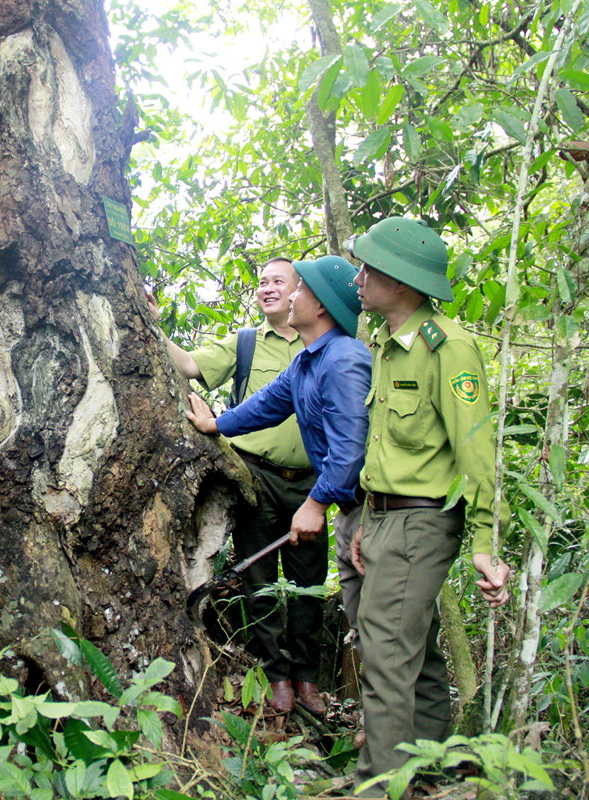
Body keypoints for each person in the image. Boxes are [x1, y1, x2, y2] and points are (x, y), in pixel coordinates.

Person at [347, 217, 511, 796]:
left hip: (424, 521)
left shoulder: (449, 347)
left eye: (370, 269)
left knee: (385, 648)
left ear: (404, 282)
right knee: (411, 648)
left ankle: (379, 785)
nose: (359, 278)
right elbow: (381, 447)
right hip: (386, 516)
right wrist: (367, 522)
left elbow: (476, 452)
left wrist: (487, 545)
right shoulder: (387, 346)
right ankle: (431, 767)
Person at [183, 256, 371, 716]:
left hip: (353, 506)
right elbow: (267, 403)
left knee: (338, 601)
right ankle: (277, 677)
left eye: (299, 288)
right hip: (285, 489)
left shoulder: (344, 359)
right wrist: (218, 425)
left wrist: (315, 502)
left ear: (322, 306)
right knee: (261, 584)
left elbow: (350, 450)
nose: (290, 295)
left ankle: (353, 711)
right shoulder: (310, 360)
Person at [149, 257, 319, 714]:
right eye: (261, 282)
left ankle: (307, 677)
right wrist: (152, 323)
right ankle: (277, 675)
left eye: (277, 281)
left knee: (310, 582)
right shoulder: (245, 344)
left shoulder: (320, 344)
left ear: (300, 291)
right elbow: (186, 365)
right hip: (257, 478)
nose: (266, 289)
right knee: (257, 576)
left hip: (312, 485)